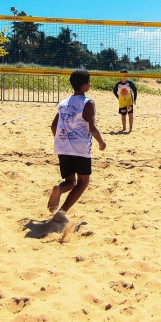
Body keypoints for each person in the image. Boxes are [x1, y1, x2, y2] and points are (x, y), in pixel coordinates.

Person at [47, 69, 106, 223]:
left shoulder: (63, 102)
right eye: (89, 82)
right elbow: (92, 127)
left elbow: (54, 127)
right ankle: (62, 212)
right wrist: (101, 142)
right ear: (85, 86)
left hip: (63, 146)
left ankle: (60, 189)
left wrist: (62, 140)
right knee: (83, 182)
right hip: (80, 147)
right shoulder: (88, 103)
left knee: (70, 182)